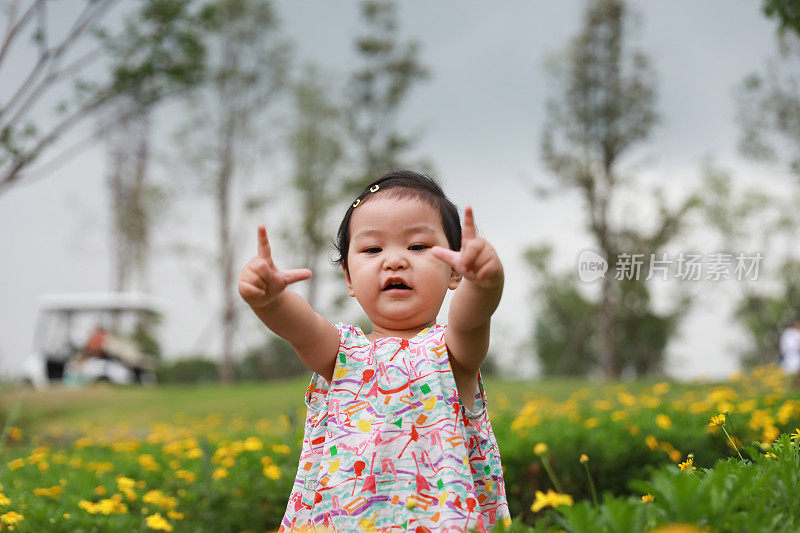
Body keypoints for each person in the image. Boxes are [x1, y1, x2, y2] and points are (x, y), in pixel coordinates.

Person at [238, 170, 512, 532]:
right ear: (349, 278)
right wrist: (270, 301)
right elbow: (301, 328)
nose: (395, 260)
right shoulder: (341, 353)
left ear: (454, 272)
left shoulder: (450, 352)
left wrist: (484, 285)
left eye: (418, 247)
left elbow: (471, 319)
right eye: (372, 249)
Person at [780, 319, 800, 387]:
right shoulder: (792, 333)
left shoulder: (787, 333)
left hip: (790, 355)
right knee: (792, 371)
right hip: (793, 355)